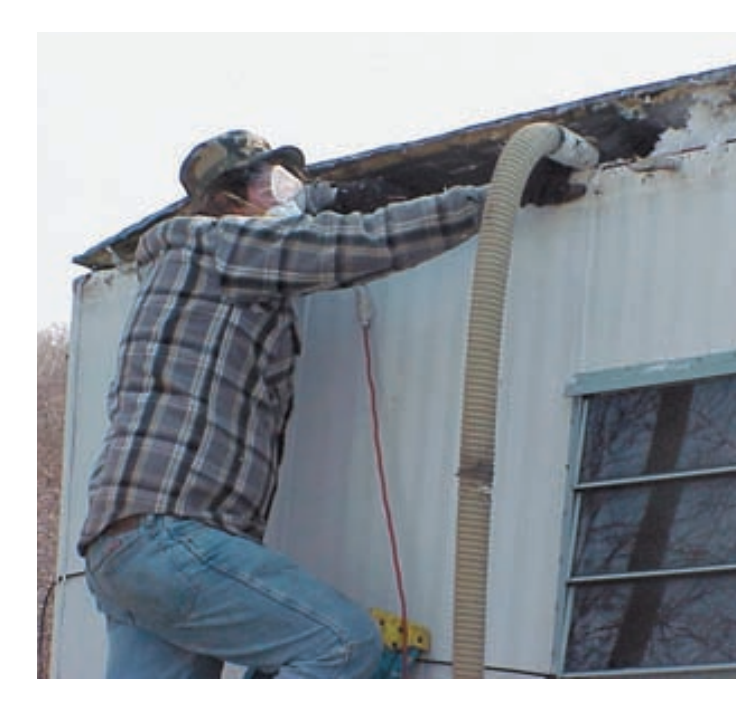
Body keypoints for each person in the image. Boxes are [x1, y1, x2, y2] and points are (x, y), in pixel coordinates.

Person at [78, 129, 585, 679]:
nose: (293, 192)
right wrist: (494, 198)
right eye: (277, 182)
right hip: (172, 538)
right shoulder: (213, 244)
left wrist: (337, 195)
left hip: (123, 554)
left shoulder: (188, 273)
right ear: (231, 199)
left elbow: (305, 219)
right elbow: (350, 245)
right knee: (342, 646)